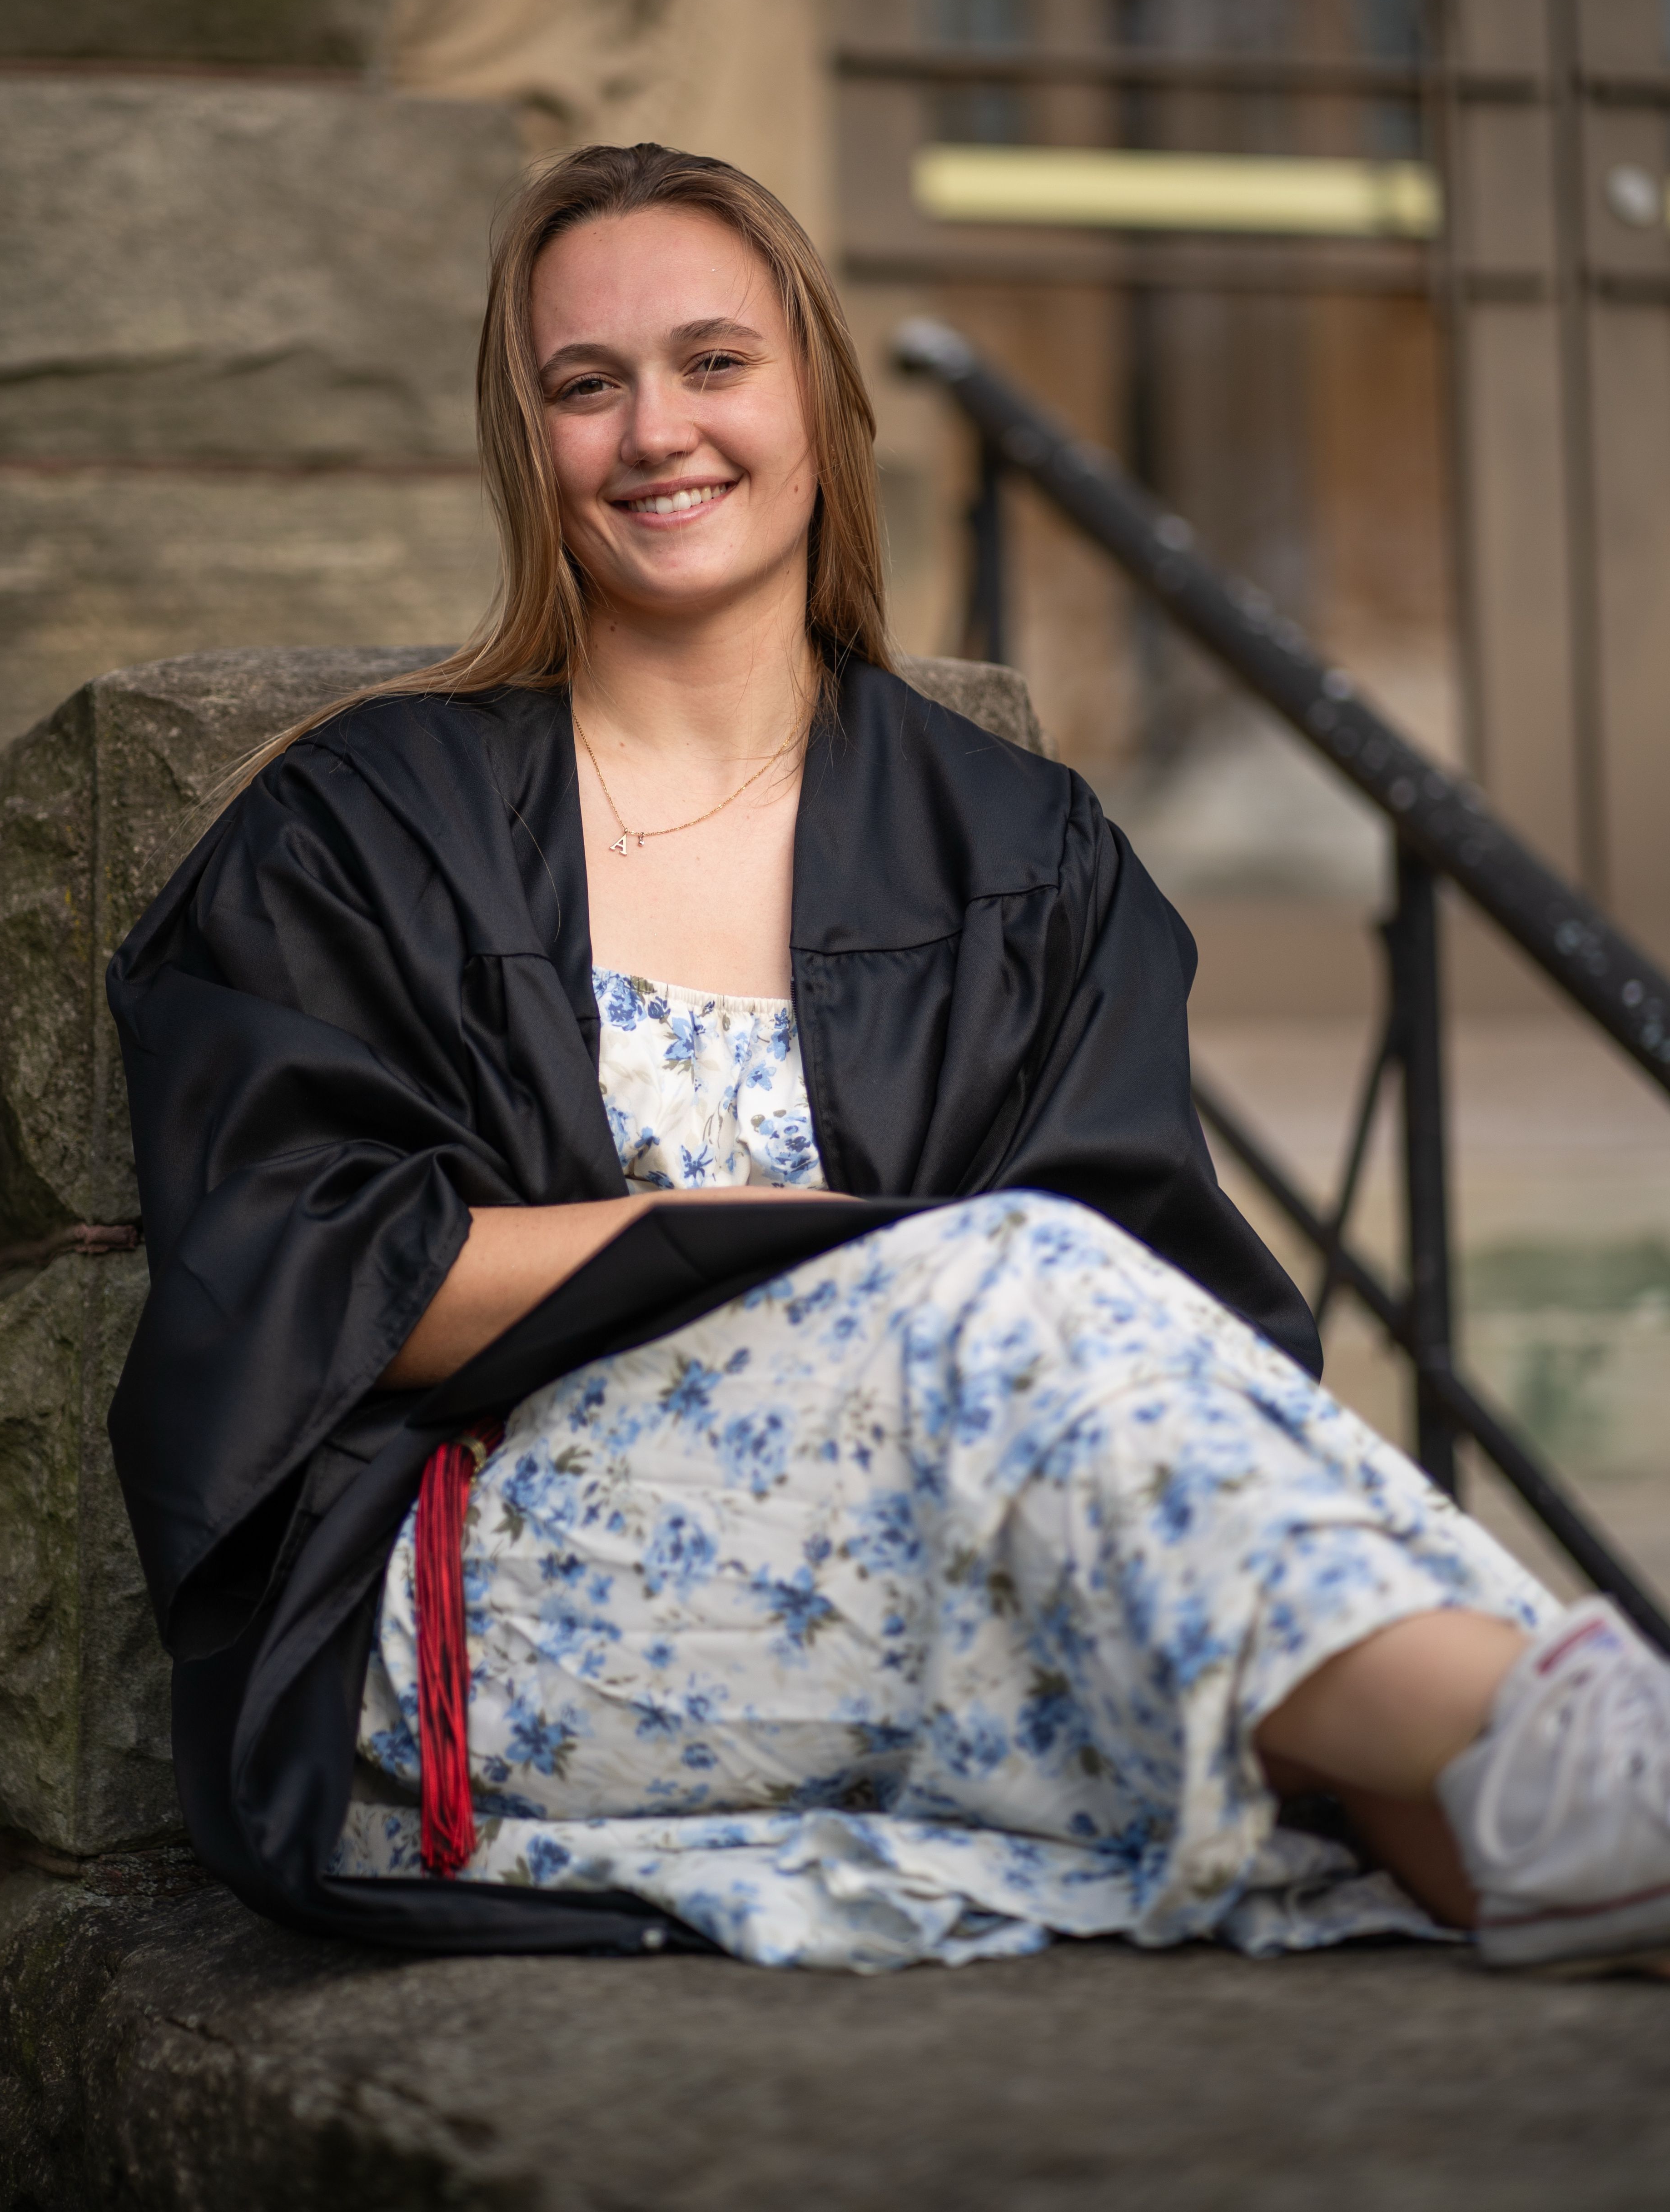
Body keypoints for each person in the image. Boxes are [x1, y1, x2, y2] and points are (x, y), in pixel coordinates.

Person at [108, 142, 1670, 1975]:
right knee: (1007, 1290)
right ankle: (1597, 1756)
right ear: (523, 450)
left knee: (1309, 1708)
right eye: (581, 387)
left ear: (819, 404)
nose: (653, 430)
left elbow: (1158, 1329)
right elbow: (308, 1268)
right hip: (523, 1611)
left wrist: (915, 1292)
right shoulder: (371, 826)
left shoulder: (1015, 846)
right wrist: (814, 1255)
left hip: (945, 1572)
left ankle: (1585, 1839)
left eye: (712, 363)